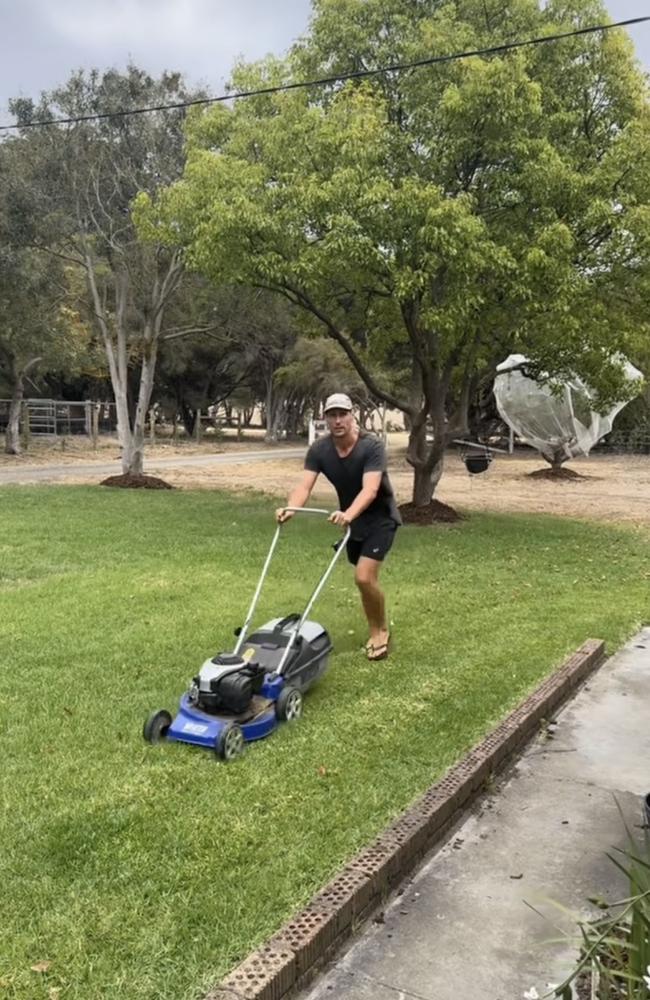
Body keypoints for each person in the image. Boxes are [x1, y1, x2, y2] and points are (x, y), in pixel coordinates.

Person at [276, 392, 401, 661]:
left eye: (342, 414)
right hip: (353, 523)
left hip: (380, 518)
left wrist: (348, 514)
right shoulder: (320, 450)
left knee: (364, 577)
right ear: (326, 419)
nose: (337, 420)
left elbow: (370, 490)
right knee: (366, 580)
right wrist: (291, 508)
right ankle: (376, 621)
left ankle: (379, 632)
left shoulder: (372, 447)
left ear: (352, 415)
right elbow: (304, 485)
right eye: (332, 415)